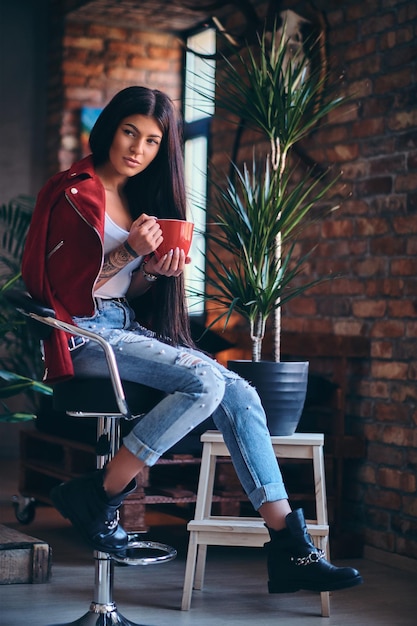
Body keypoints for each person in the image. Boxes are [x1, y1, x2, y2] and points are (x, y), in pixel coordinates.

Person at [22, 85, 362, 595]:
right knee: (205, 377)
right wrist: (124, 253)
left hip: (122, 325)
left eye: (153, 141)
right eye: (129, 132)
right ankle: (103, 493)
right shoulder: (72, 190)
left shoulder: (141, 196)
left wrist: (154, 272)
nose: (138, 149)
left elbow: (122, 291)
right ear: (110, 129)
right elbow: (53, 290)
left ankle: (290, 546)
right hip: (83, 335)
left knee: (241, 390)